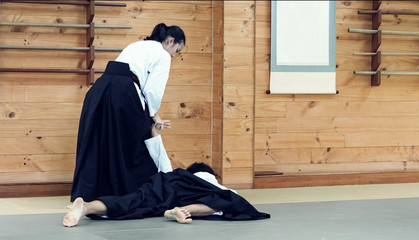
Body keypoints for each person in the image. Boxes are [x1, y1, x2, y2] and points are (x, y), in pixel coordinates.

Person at [70, 23, 186, 202]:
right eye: (176, 50)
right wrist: (154, 116)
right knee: (134, 143)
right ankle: (130, 195)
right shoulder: (162, 55)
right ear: (170, 41)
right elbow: (152, 91)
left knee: (100, 141)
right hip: (123, 92)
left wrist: (152, 116)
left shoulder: (136, 45)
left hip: (100, 89)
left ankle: (89, 195)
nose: (173, 55)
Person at [63, 162, 270, 227]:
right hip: (188, 194)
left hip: (164, 182)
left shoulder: (179, 175)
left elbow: (159, 155)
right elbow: (229, 196)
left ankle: (87, 206)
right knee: (229, 200)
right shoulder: (211, 182)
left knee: (136, 200)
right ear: (211, 174)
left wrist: (154, 132)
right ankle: (182, 211)